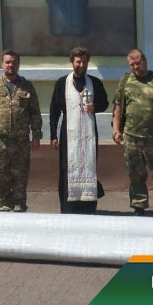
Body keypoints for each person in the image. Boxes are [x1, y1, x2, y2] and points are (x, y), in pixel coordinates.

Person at [112, 48, 153, 216]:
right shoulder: (125, 81)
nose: (136, 67)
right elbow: (118, 106)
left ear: (145, 61)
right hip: (131, 137)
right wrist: (115, 129)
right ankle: (138, 206)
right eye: (132, 64)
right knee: (135, 174)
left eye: (138, 63)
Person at [0, 50, 42, 212]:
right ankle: (3, 202)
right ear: (2, 64)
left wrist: (36, 135)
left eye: (14, 62)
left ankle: (19, 202)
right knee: (0, 172)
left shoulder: (27, 86)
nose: (10, 65)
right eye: (7, 62)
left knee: (20, 173)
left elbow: (34, 112)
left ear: (18, 65)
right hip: (0, 139)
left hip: (21, 139)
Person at [50, 46, 108, 213]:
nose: (81, 65)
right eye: (78, 61)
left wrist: (95, 106)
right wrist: (53, 134)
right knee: (66, 167)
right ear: (72, 62)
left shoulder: (95, 83)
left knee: (89, 166)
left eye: (84, 61)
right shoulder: (62, 83)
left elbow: (105, 103)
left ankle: (88, 206)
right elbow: (54, 110)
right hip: (68, 134)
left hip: (89, 134)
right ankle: (68, 207)